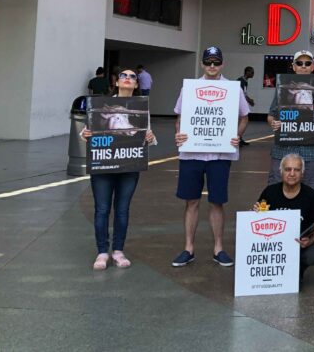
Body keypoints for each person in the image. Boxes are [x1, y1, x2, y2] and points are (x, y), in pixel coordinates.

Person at [171, 46, 249, 268]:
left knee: (217, 201)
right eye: (208, 62)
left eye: (216, 62)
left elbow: (244, 116)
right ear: (202, 64)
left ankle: (218, 248)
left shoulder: (233, 89)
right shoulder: (190, 88)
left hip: (220, 153)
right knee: (191, 201)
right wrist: (179, 134)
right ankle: (188, 248)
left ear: (222, 64)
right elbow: (180, 116)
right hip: (191, 153)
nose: (212, 66)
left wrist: (237, 135)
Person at [80, 68, 156, 270]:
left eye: (133, 77)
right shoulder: (100, 107)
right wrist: (86, 134)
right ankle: (102, 251)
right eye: (124, 76)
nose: (128, 79)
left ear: (137, 84)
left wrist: (150, 137)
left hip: (129, 165)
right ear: (117, 82)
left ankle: (118, 250)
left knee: (122, 209)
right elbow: (87, 131)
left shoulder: (141, 109)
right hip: (103, 164)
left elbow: (147, 135)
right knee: (102, 209)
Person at [267, 50, 314, 196]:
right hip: (283, 150)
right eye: (300, 63)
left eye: (307, 63)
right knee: (276, 191)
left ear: (313, 67)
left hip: (311, 152)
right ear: (294, 66)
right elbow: (271, 114)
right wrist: (273, 123)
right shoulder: (282, 88)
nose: (303, 66)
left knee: (310, 192)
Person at [254, 154, 314, 283]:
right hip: (273, 247)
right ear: (281, 172)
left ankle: (299, 269)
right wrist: (255, 213)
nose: (292, 173)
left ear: (302, 173)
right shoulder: (269, 192)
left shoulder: (311, 195)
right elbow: (257, 220)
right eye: (288, 169)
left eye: (297, 170)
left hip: (299, 245)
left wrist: (311, 240)